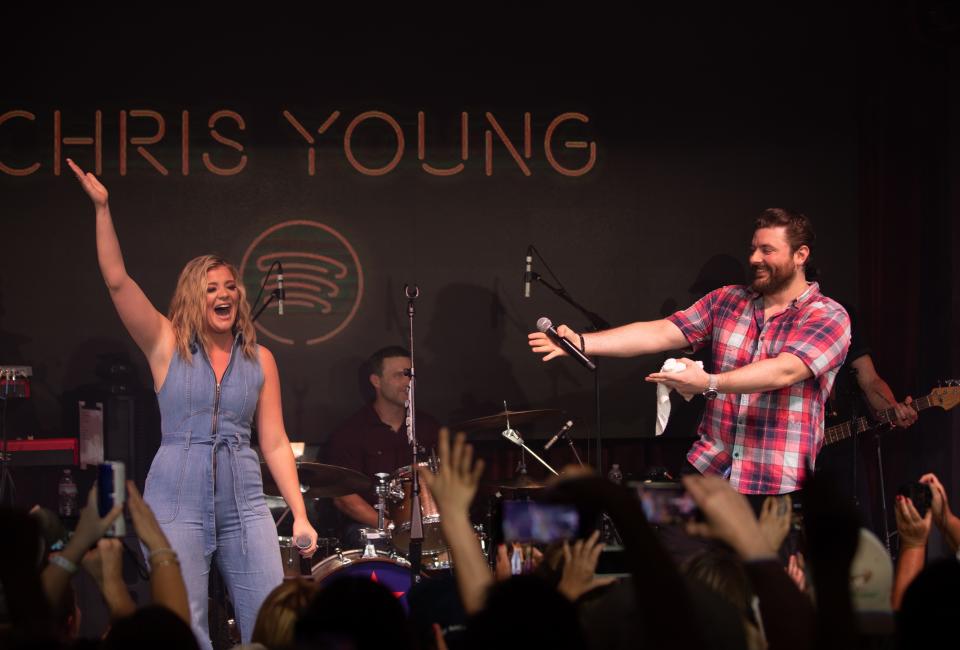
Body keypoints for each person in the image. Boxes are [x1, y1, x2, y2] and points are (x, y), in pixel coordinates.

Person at [68, 158, 317, 649]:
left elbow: (273, 441)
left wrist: (300, 513)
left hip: (245, 500)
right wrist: (102, 209)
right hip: (176, 497)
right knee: (183, 625)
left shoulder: (260, 358)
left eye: (229, 286)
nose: (223, 294)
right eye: (211, 289)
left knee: (270, 618)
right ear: (192, 298)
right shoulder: (166, 343)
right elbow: (117, 280)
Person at [529, 208, 851, 498]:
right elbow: (662, 331)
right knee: (684, 561)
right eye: (753, 248)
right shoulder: (728, 299)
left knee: (759, 566)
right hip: (709, 468)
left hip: (775, 483)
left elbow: (785, 371)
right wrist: (582, 342)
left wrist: (709, 382)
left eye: (767, 250)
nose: (754, 258)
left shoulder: (827, 316)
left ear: (800, 255)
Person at [325, 346, 440, 534]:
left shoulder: (429, 428)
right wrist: (391, 527)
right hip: (372, 529)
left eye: (410, 375)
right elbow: (344, 498)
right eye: (399, 376)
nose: (407, 382)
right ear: (376, 381)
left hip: (427, 525)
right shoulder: (350, 432)